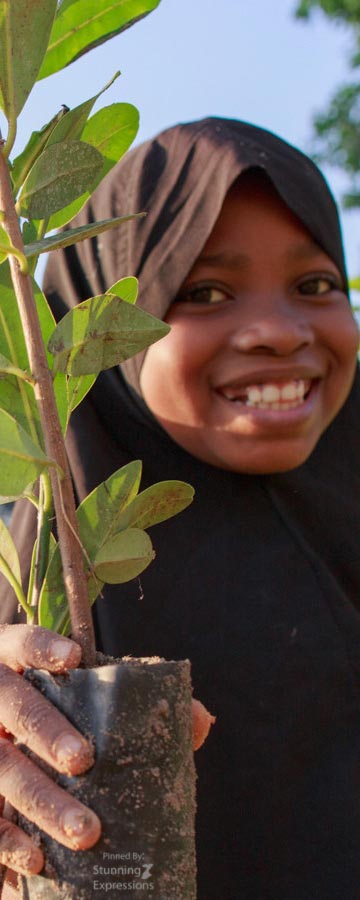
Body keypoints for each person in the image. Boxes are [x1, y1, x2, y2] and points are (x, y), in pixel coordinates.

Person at [0, 116, 359, 899]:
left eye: (316, 285)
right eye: (204, 292)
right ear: (92, 335)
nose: (279, 331)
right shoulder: (27, 615)